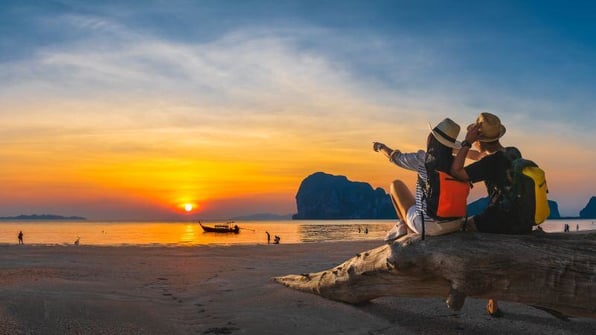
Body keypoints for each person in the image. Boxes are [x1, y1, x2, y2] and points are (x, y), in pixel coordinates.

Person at [449, 112, 521, 317]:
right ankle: (493, 303)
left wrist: (466, 142)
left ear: (478, 139)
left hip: (499, 222)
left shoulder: (490, 163)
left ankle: (457, 286)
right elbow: (482, 157)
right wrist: (461, 148)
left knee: (458, 229)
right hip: (518, 219)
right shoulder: (512, 152)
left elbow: (457, 172)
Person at [374, 118, 478, 242]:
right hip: (455, 224)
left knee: (396, 185)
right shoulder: (457, 165)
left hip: (428, 227)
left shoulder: (423, 160)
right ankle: (407, 227)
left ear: (433, 139)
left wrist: (380, 147)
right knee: (417, 203)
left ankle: (402, 226)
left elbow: (395, 157)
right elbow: (473, 155)